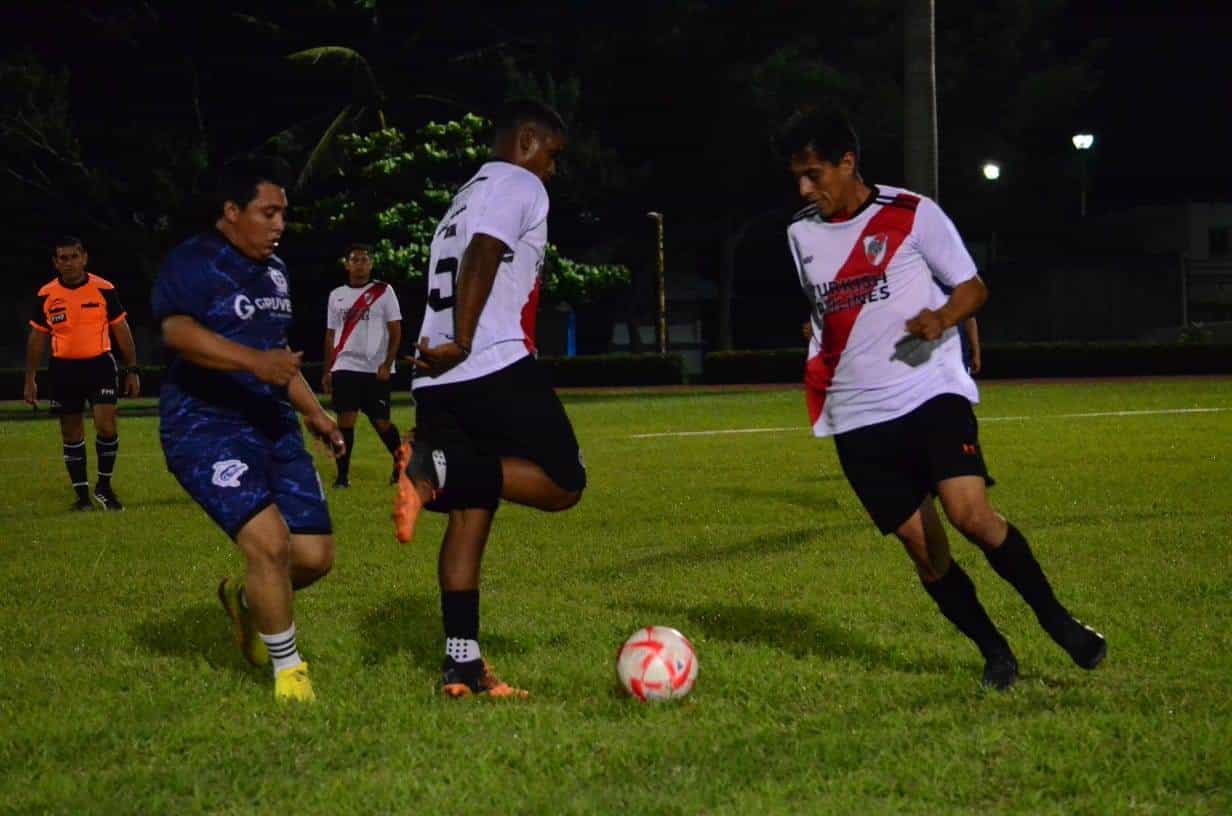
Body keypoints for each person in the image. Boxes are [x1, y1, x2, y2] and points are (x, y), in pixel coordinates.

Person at [780, 108, 1104, 690]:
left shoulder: (912, 213)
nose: (805, 188)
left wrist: (944, 317)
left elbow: (972, 286)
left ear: (847, 164)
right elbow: (826, 304)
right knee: (926, 552)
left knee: (970, 516)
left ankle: (1058, 622)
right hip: (857, 413)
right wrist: (817, 329)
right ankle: (995, 652)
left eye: (814, 174)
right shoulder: (799, 234)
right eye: (798, 177)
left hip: (929, 391)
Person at [394, 99, 585, 699]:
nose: (552, 170)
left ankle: (462, 667)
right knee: (563, 483)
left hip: (437, 376)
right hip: (486, 359)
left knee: (472, 511)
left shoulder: (465, 193)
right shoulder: (517, 183)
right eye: (552, 156)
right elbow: (483, 253)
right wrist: (464, 340)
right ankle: (438, 466)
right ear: (528, 140)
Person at [151, 160, 345, 703]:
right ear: (232, 213)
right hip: (205, 425)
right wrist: (254, 364)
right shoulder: (194, 262)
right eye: (269, 212)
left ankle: (245, 599)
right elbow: (177, 332)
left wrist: (314, 413)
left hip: (274, 425)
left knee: (313, 556)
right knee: (269, 542)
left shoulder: (277, 271)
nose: (279, 223)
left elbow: (278, 359)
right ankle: (289, 673)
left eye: (283, 212)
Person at [24, 237, 140, 511]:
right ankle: (82, 498)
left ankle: (104, 487)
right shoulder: (47, 294)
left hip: (100, 365)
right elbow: (37, 338)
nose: (69, 263)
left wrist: (132, 369)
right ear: (55, 263)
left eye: (74, 256)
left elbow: (121, 329)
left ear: (84, 258)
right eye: (63, 258)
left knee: (106, 425)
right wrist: (30, 377)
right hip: (64, 370)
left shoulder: (103, 288)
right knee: (71, 432)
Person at [322, 243, 404, 487]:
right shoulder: (336, 295)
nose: (360, 264)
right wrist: (328, 369)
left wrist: (387, 363)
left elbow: (396, 330)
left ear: (371, 264)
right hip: (345, 366)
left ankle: (401, 464)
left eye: (365, 259)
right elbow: (330, 334)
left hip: (375, 368)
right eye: (355, 260)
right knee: (345, 421)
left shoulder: (383, 291)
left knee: (381, 422)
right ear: (347, 265)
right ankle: (342, 476)